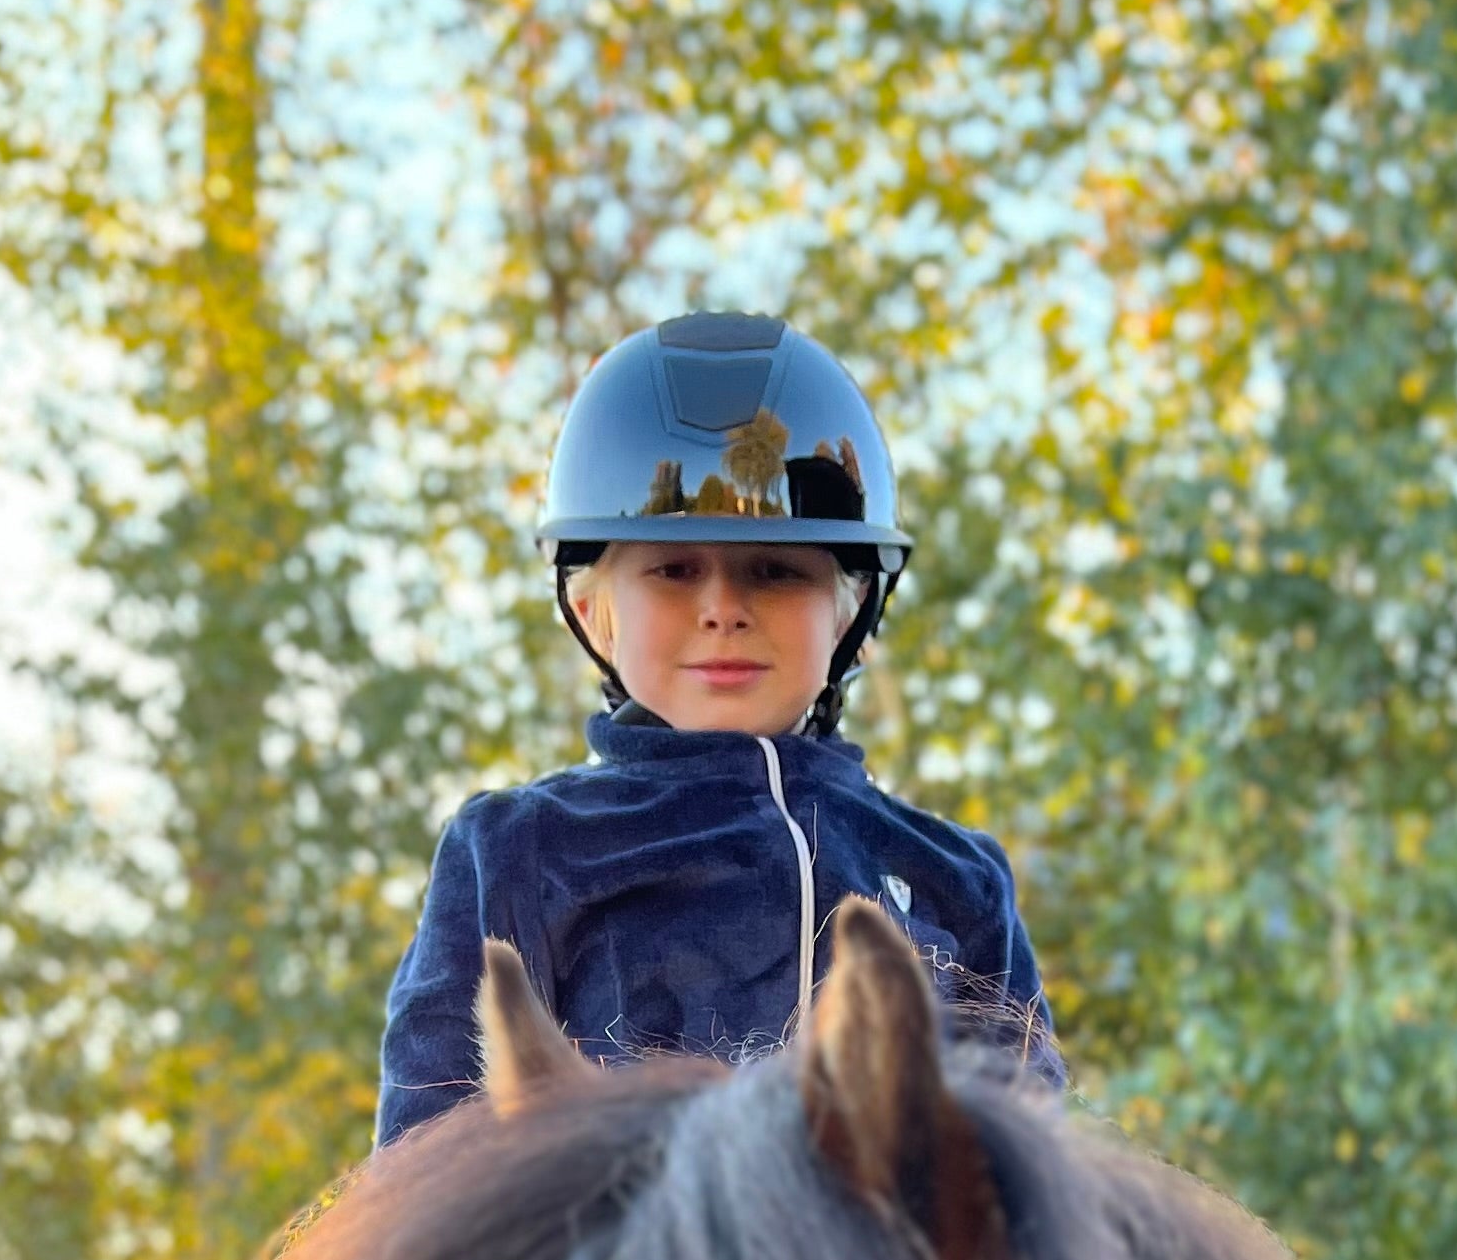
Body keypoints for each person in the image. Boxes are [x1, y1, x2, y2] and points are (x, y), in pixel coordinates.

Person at [374, 311, 1061, 1144]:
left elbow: (1033, 1167)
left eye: (775, 572)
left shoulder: (959, 877)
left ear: (851, 611)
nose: (723, 610)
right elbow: (423, 1173)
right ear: (593, 612)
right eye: (673, 571)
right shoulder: (515, 852)